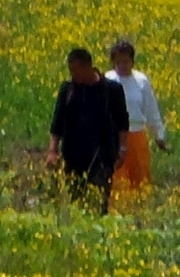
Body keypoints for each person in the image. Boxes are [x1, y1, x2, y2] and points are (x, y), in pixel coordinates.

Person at [48, 46, 127, 205]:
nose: (74, 75)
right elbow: (57, 122)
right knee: (76, 202)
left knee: (100, 202)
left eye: (76, 71)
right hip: (73, 157)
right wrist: (52, 150)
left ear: (88, 66)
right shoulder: (68, 90)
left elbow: (122, 122)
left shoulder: (112, 90)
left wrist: (123, 150)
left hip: (103, 156)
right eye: (71, 71)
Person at [106, 38, 165, 198]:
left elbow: (151, 108)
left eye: (126, 61)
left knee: (139, 178)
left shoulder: (141, 81)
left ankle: (139, 215)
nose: (123, 66)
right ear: (113, 62)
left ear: (132, 61)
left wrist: (159, 135)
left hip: (137, 135)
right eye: (119, 62)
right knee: (118, 180)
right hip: (114, 137)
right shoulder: (108, 81)